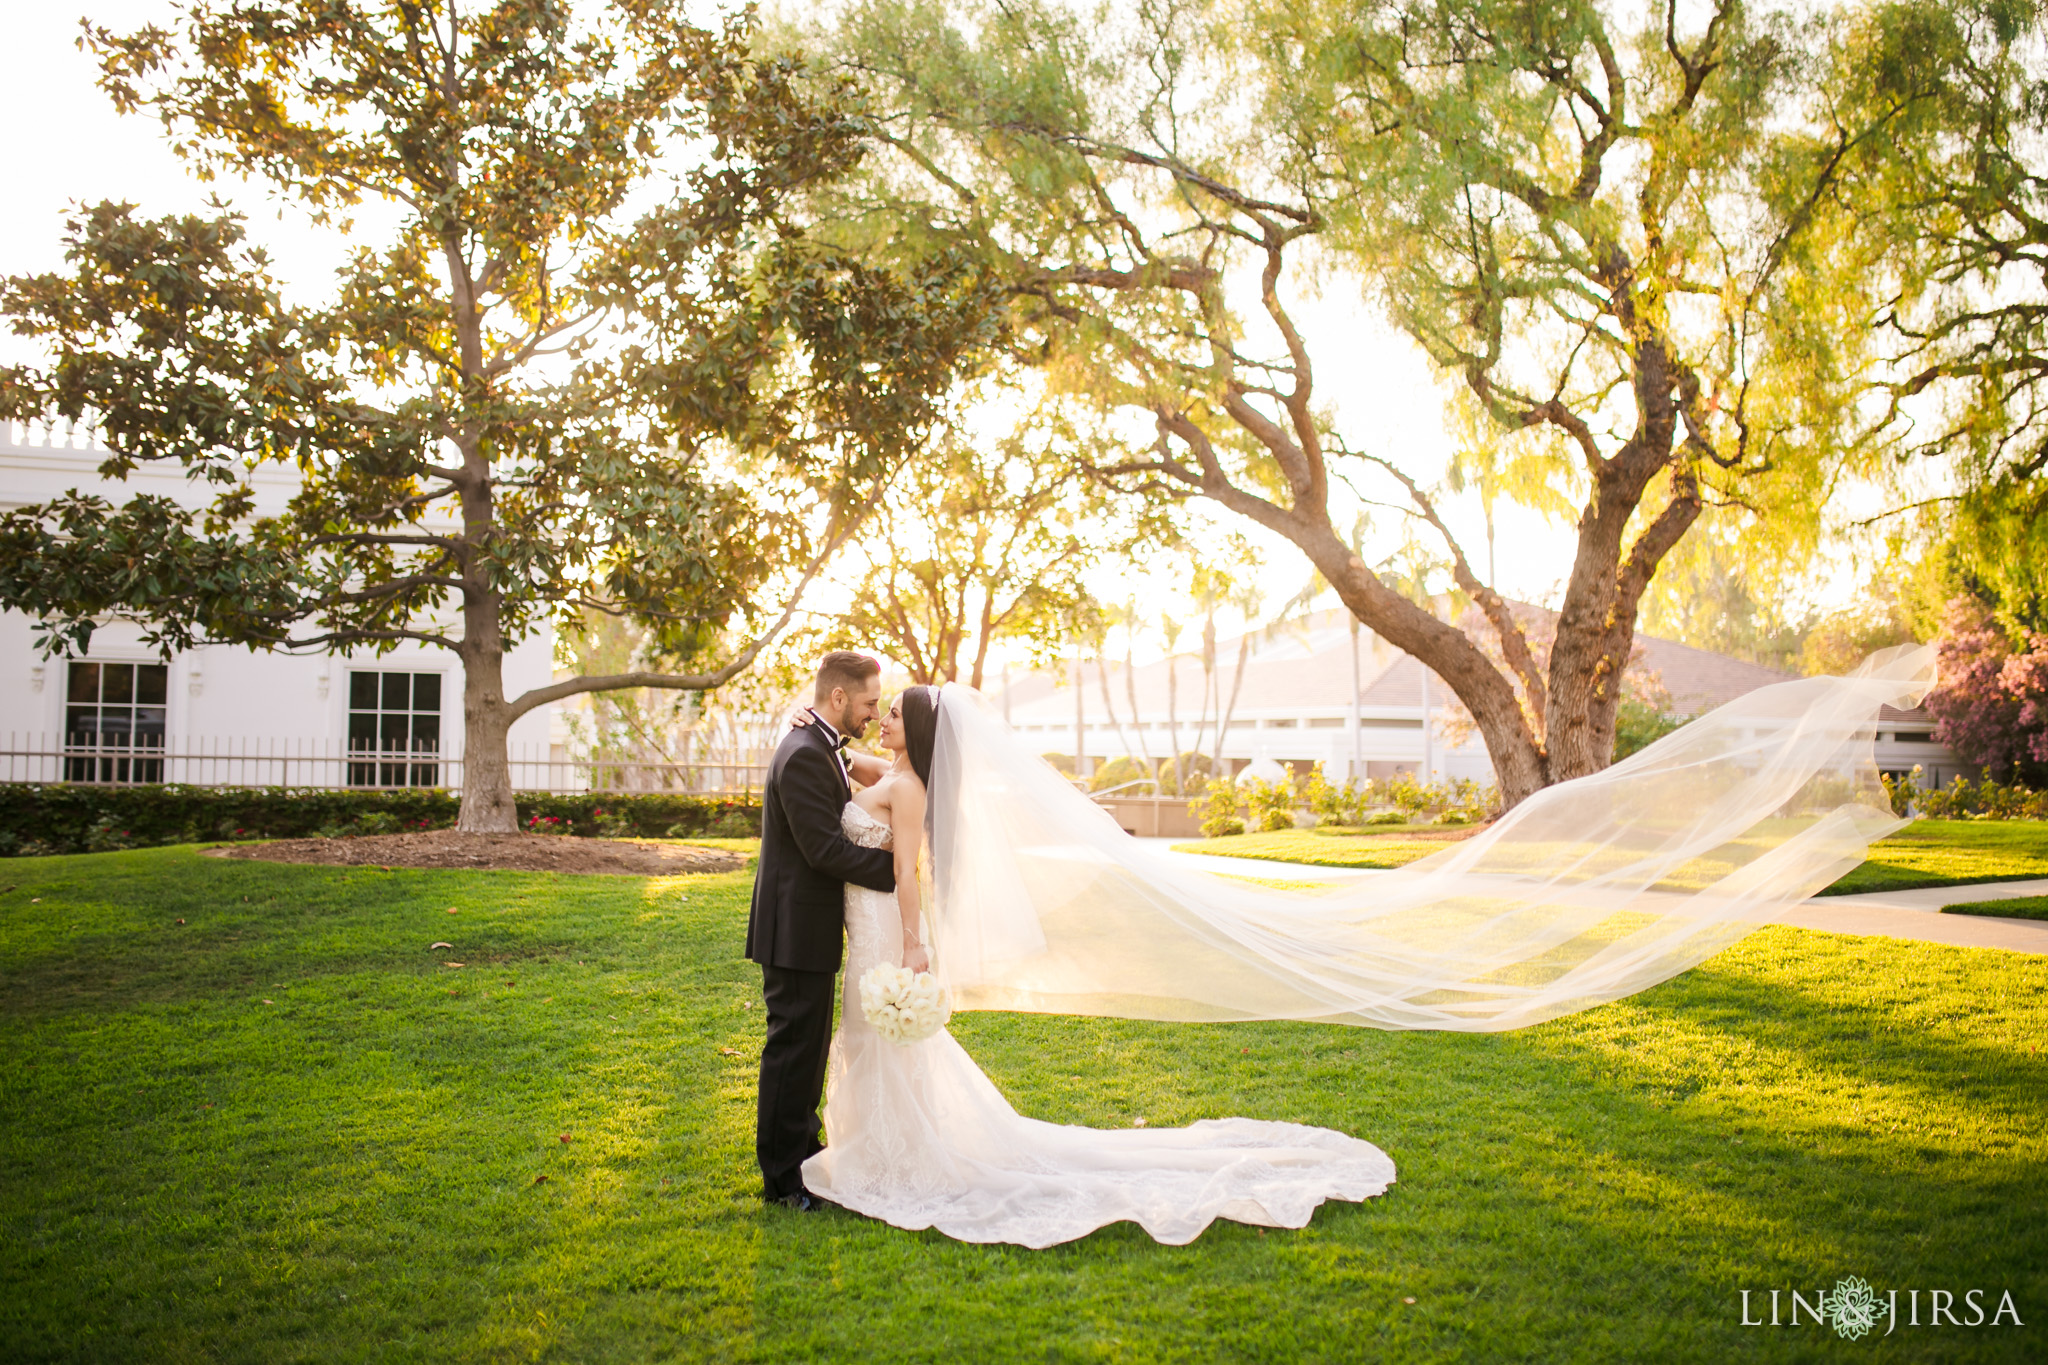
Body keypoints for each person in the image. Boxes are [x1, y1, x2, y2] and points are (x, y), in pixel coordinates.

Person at [797, 685, 1397, 1247]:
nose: (884, 719)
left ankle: (898, 1156)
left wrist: (912, 946)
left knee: (879, 1036)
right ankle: (881, 1147)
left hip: (885, 932)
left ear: (919, 730)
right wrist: (802, 723)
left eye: (896, 713)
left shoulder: (905, 789)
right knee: (873, 1039)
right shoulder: (893, 775)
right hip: (865, 923)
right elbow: (843, 765)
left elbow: (906, 872)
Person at [746, 651, 896, 1211]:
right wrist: (899, 875)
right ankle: (784, 1183)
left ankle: (802, 1163)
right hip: (793, 929)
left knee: (806, 1054)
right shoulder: (805, 753)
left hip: (805, 926)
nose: (872, 712)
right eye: (869, 702)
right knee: (792, 1054)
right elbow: (823, 850)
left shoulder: (819, 742)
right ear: (838, 698)